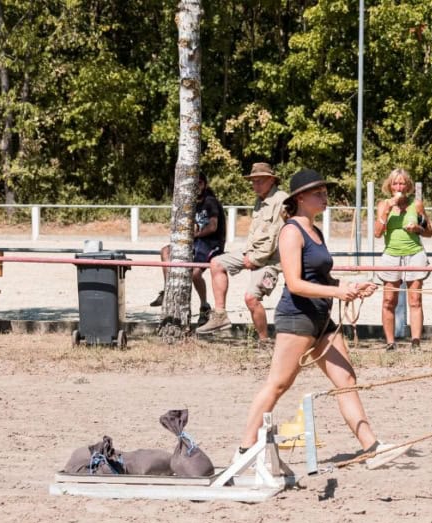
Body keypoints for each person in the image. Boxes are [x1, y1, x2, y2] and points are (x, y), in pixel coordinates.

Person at [235, 168, 410, 469]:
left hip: (321, 318)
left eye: (324, 191)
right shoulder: (291, 231)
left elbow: (321, 276)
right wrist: (338, 293)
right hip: (298, 318)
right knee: (278, 384)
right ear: (300, 198)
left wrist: (348, 287)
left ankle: (371, 448)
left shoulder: (315, 231)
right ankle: (243, 450)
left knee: (346, 380)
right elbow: (294, 283)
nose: (324, 196)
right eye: (318, 192)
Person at [196, 162, 288, 344]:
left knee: (251, 298)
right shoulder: (260, 200)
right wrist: (248, 255)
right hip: (252, 252)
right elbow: (256, 235)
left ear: (271, 180)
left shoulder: (281, 200)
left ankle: (264, 340)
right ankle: (220, 314)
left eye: (259, 181)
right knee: (217, 263)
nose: (255, 185)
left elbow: (275, 237)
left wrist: (253, 259)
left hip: (270, 260)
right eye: (253, 182)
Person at [150, 174, 225, 326]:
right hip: (196, 241)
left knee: (195, 272)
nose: (194, 188)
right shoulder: (191, 203)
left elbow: (213, 226)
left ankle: (204, 306)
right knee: (165, 251)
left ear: (203, 185)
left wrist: (195, 234)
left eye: (197, 184)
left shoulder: (210, 201)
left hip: (211, 242)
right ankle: (167, 290)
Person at [374, 169, 432, 351]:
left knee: (415, 300)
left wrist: (418, 228)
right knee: (388, 300)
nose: (399, 187)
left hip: (414, 254)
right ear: (389, 186)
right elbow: (377, 233)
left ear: (408, 186)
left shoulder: (416, 205)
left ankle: (415, 342)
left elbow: (429, 231)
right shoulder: (383, 204)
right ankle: (390, 343)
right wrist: (386, 211)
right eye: (395, 183)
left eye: (402, 183)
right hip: (391, 255)